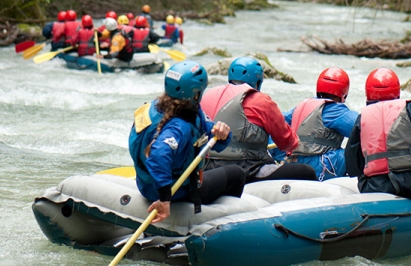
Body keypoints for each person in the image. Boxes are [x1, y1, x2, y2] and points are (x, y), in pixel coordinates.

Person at [129, 61, 246, 223]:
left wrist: (223, 133)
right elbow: (157, 155)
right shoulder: (181, 126)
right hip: (176, 191)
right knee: (237, 174)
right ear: (196, 94)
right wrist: (164, 199)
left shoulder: (156, 107)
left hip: (146, 185)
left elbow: (214, 139)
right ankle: (222, 224)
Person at [200, 56, 317, 183]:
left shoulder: (208, 95)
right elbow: (286, 143)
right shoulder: (260, 100)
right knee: (307, 171)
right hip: (249, 169)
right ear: (257, 82)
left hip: (208, 168)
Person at [345, 68, 411, 203]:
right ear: (397, 90)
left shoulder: (363, 117)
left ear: (368, 92)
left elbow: (352, 161)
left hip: (374, 187)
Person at [280, 68, 359, 181]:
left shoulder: (302, 106)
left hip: (292, 162)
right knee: (350, 153)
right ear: (343, 93)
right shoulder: (335, 110)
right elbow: (361, 127)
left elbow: (278, 122)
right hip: (317, 165)